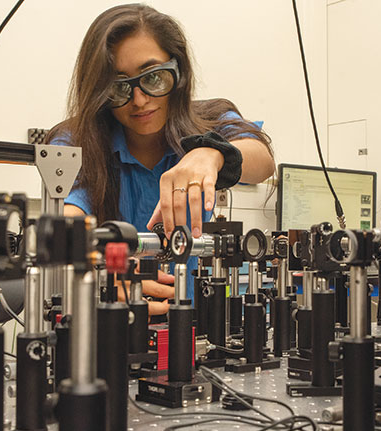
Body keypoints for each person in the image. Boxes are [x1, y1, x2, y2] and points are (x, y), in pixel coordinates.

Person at [48, 3, 275, 315]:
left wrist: (210, 154)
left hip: (192, 326)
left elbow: (262, 160)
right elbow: (67, 222)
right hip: (108, 327)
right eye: (118, 87)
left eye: (153, 78)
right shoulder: (75, 142)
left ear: (178, 71)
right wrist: (103, 277)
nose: (139, 100)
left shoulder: (210, 119)